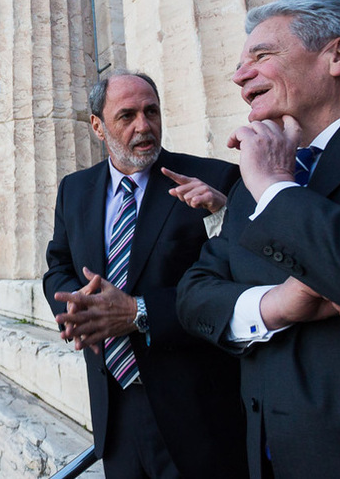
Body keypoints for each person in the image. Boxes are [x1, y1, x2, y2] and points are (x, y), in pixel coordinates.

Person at [176, 0, 340, 479]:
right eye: (240, 64)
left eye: (261, 56)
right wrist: (278, 304)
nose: (239, 76)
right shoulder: (257, 176)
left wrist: (277, 190)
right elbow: (195, 295)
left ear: (339, 56)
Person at [44, 72, 247, 479]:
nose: (144, 126)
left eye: (151, 111)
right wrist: (81, 310)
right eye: (127, 116)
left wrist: (138, 311)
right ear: (98, 126)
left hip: (195, 415)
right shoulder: (74, 189)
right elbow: (58, 267)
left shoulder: (213, 180)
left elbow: (233, 283)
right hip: (114, 411)